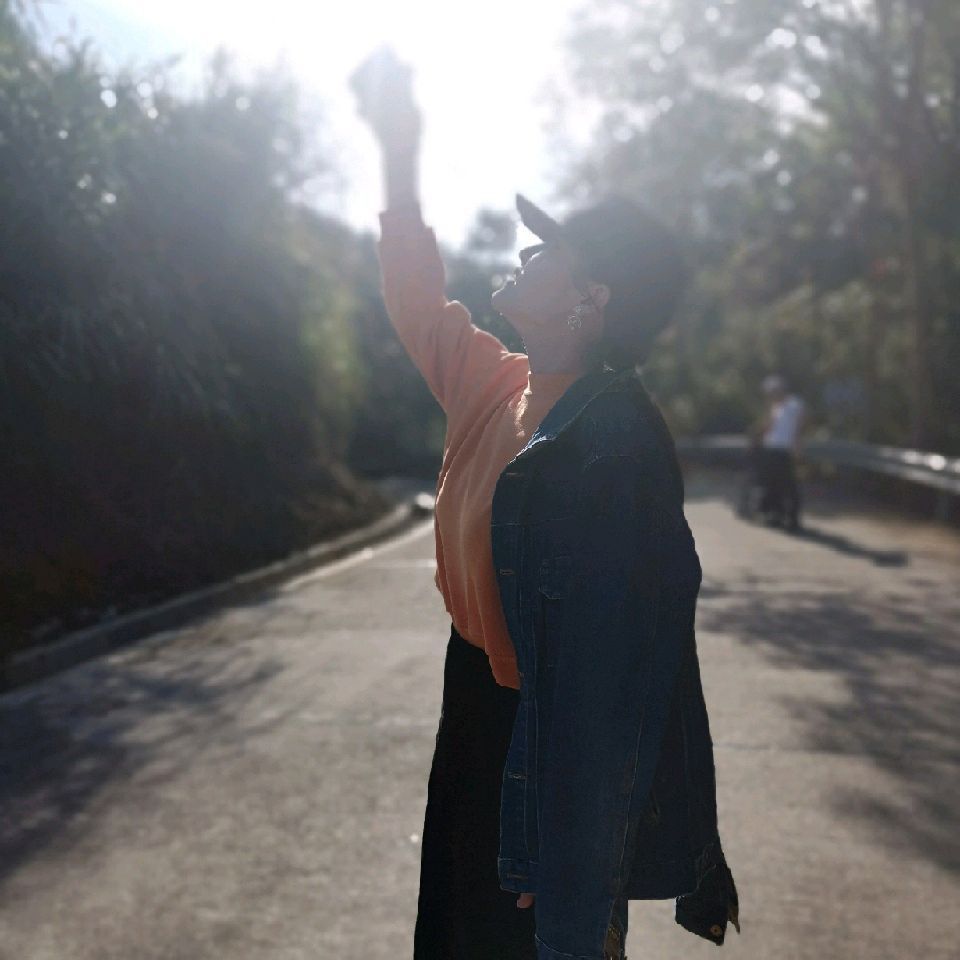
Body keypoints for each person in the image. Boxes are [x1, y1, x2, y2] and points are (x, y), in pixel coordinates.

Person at [351, 47, 739, 960]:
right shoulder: (496, 382)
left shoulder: (617, 444)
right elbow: (415, 300)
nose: (526, 253)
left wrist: (567, 836)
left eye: (550, 248)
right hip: (472, 706)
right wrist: (399, 149)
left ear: (591, 299)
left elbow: (616, 672)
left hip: (549, 738)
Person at [758, 374, 805, 531]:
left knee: (789, 485)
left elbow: (799, 427)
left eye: (774, 391)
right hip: (772, 448)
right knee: (773, 484)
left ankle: (793, 519)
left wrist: (797, 446)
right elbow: (768, 427)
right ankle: (775, 516)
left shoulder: (795, 403)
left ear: (781, 390)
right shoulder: (775, 407)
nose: (771, 395)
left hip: (785, 449)